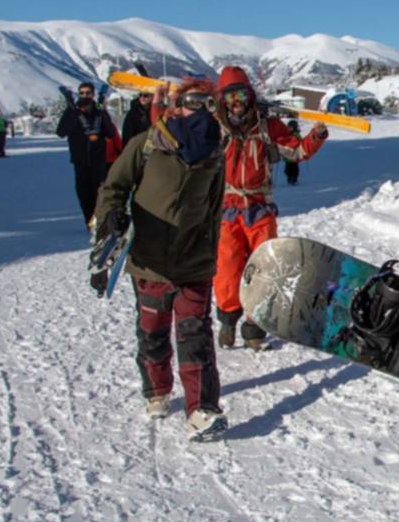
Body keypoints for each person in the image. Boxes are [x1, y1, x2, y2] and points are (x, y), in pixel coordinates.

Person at [93, 78, 229, 439]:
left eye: (206, 104)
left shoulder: (215, 154)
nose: (198, 111)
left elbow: (214, 209)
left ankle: (202, 410)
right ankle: (157, 390)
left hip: (193, 263)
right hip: (150, 261)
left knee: (195, 335)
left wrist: (212, 255)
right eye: (191, 102)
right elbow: (113, 187)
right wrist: (110, 219)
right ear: (175, 106)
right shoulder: (147, 145)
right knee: (152, 332)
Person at [211, 66, 328, 350]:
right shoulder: (213, 126)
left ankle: (255, 325)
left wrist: (316, 136)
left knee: (265, 266)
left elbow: (297, 151)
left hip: (259, 208)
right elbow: (184, 143)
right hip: (226, 208)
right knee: (227, 269)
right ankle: (227, 321)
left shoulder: (267, 126)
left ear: (250, 95)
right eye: (230, 96)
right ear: (222, 100)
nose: (236, 101)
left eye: (241, 94)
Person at [56, 81, 120, 230]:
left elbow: (110, 133)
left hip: (98, 160)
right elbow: (61, 132)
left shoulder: (98, 112)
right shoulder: (72, 111)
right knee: (84, 193)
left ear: (93, 94)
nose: (85, 96)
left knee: (100, 192)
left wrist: (103, 113)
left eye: (88, 93)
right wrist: (71, 112)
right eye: (82, 93)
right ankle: (89, 221)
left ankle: (100, 220)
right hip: (80, 160)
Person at [282, 120, 301, 185]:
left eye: (291, 128)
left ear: (295, 128)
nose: (289, 129)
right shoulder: (286, 134)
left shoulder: (296, 134)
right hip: (287, 155)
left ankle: (294, 178)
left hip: (294, 155)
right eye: (288, 127)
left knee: (294, 168)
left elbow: (299, 141)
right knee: (287, 169)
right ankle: (289, 177)